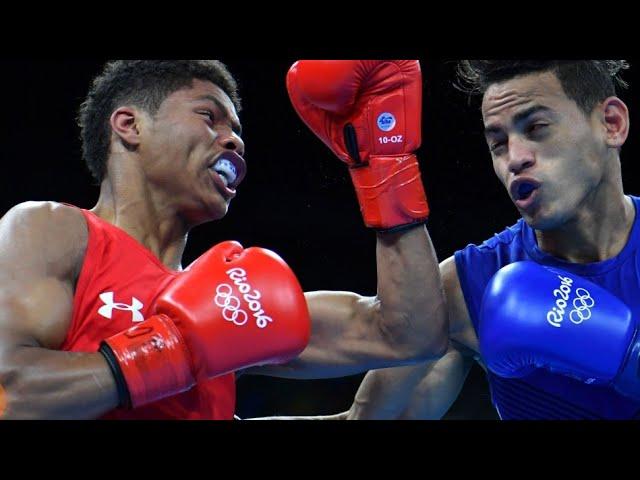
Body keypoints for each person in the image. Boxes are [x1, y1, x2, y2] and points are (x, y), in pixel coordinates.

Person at [0, 59, 447, 419]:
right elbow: (9, 394)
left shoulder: (234, 301)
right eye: (209, 116)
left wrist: (385, 166)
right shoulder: (52, 229)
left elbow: (408, 336)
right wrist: (174, 351)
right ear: (129, 125)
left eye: (236, 131)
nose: (233, 141)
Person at [320, 60, 640, 420]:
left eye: (537, 128)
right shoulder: (467, 288)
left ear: (611, 124)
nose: (515, 159)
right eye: (498, 143)